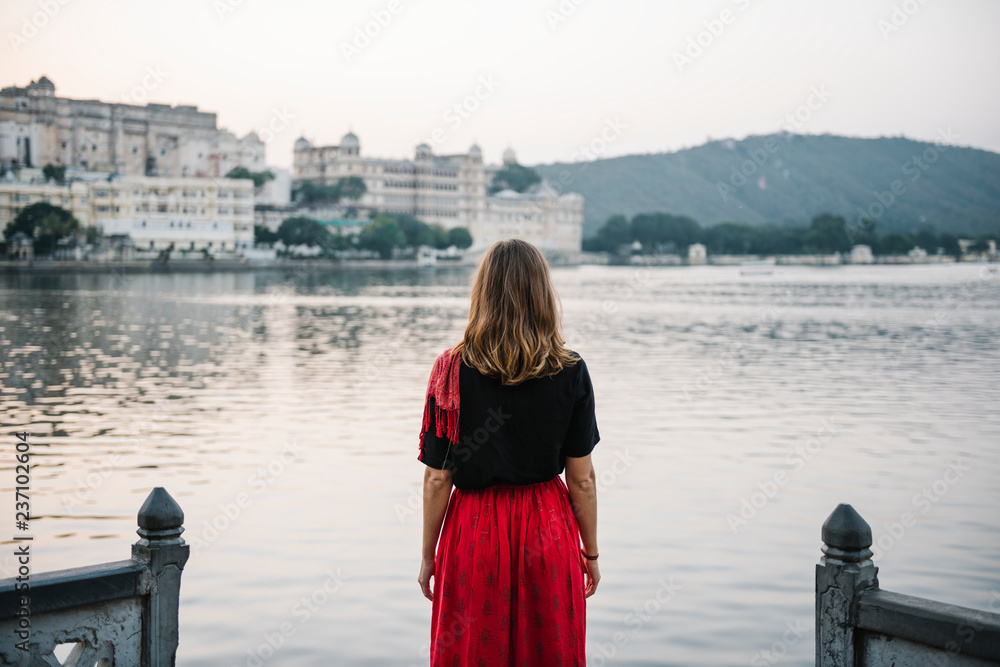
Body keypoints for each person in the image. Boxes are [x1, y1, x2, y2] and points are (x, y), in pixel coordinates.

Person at [417, 239, 600, 666]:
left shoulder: (451, 368)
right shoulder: (570, 369)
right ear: (542, 294)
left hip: (474, 532)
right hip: (548, 530)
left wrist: (430, 555)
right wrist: (589, 552)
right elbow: (583, 479)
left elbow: (438, 477)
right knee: (549, 651)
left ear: (482, 293)